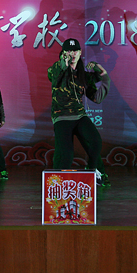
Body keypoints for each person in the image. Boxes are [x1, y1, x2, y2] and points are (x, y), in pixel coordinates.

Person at [47, 38, 111, 184]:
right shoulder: (55, 70)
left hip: (79, 116)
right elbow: (58, 69)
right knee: (66, 154)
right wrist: (64, 62)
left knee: (95, 141)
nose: (72, 53)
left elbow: (96, 98)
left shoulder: (83, 76)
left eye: (75, 50)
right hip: (62, 117)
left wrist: (104, 76)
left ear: (80, 52)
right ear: (63, 53)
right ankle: (58, 183)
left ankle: (93, 170)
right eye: (69, 51)